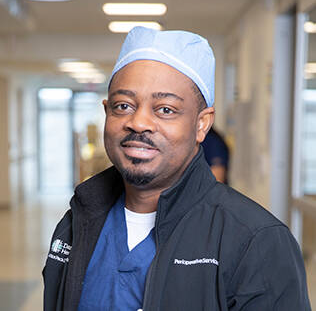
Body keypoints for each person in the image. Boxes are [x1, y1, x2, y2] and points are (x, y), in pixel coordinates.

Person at [43, 26, 311, 311]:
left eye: (165, 109)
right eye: (123, 105)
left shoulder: (256, 241)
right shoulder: (77, 223)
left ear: (201, 124)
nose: (139, 122)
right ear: (107, 111)